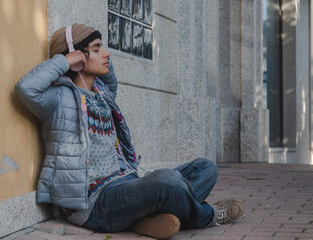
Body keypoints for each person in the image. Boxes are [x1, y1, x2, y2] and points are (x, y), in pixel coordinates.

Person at [15, 23, 244, 239]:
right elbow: (26, 88)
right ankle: (208, 216)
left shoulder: (103, 93)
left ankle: (144, 219)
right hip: (95, 202)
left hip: (127, 181)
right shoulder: (57, 99)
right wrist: (64, 60)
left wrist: (92, 51)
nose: (107, 54)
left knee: (206, 168)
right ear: (77, 57)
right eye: (97, 49)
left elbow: (110, 78)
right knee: (167, 181)